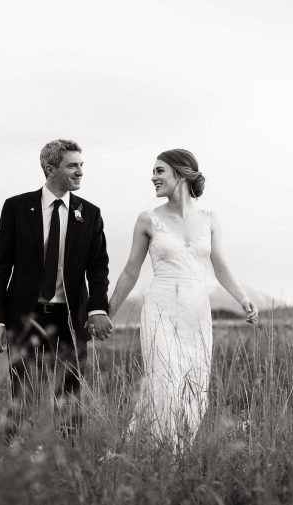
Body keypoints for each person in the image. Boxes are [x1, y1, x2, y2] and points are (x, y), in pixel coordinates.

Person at [108, 148, 259, 448]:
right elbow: (129, 271)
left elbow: (221, 266)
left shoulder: (210, 219)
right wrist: (106, 313)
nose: (153, 177)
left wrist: (243, 299)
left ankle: (171, 451)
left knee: (194, 386)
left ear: (181, 173)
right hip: (161, 310)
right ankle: (167, 456)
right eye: (153, 171)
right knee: (165, 382)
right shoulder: (147, 220)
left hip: (196, 313)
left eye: (159, 170)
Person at [0, 139, 113, 444]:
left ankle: (67, 462)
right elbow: (1, 265)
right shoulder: (16, 207)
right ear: (50, 168)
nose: (80, 171)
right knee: (22, 392)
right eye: (72, 165)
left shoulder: (90, 214)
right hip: (26, 317)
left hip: (70, 320)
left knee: (70, 394)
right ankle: (15, 457)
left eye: (81, 165)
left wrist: (98, 309)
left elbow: (98, 268)